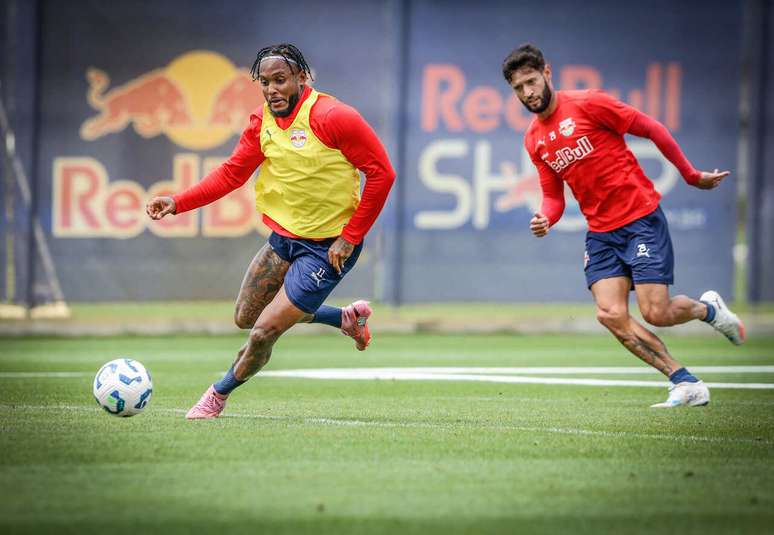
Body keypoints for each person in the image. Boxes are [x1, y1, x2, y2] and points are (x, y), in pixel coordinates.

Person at [146, 43, 395, 419]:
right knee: (246, 317)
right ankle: (345, 318)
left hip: (329, 249)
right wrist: (178, 202)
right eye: (264, 82)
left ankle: (216, 396)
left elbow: (382, 174)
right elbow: (232, 174)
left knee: (262, 332)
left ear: (301, 78)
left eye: (280, 80)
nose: (272, 89)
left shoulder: (333, 116)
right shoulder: (260, 123)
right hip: (284, 240)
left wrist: (351, 236)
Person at [501, 44, 745, 408]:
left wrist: (692, 176)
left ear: (547, 73)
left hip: (640, 218)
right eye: (518, 88)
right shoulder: (534, 139)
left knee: (656, 313)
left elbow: (651, 128)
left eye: (531, 82)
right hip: (600, 232)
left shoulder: (588, 103)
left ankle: (708, 310)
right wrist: (545, 218)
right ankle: (683, 380)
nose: (528, 93)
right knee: (610, 314)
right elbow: (554, 197)